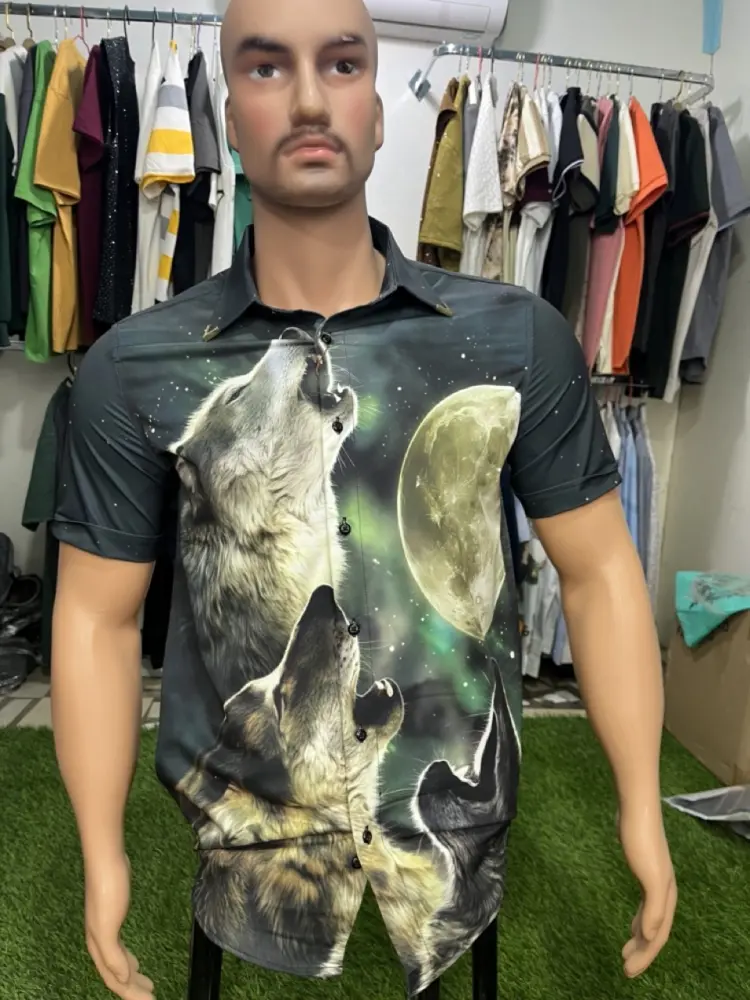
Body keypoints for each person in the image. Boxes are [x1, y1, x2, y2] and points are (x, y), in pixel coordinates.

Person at [50, 0, 677, 997]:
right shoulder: (136, 366)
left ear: (379, 113)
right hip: (247, 836)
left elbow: (599, 573)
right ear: (229, 118)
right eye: (266, 68)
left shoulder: (518, 339)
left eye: (342, 64)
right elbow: (96, 617)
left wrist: (641, 801)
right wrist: (100, 850)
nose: (308, 99)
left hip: (452, 829)